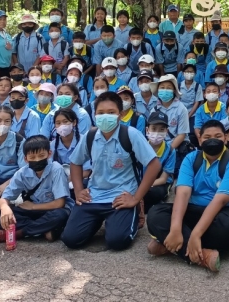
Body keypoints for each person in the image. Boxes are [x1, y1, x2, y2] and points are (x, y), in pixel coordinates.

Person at [61, 91, 161, 250]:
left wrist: (136, 198)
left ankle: (134, 214)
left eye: (111, 112)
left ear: (120, 115)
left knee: (117, 241)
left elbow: (154, 165)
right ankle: (97, 221)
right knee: (71, 239)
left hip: (121, 197)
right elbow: (75, 162)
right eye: (100, 113)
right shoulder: (90, 136)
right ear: (94, 115)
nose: (105, 116)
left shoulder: (130, 134)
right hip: (94, 195)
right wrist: (79, 191)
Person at [146, 120, 229, 272]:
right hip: (194, 210)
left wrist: (195, 234)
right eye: (207, 137)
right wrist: (175, 229)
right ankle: (202, 256)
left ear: (225, 138)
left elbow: (219, 201)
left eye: (218, 136)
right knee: (155, 214)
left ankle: (172, 245)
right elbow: (183, 193)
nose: (212, 140)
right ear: (200, 139)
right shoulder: (191, 159)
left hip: (223, 213)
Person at [0, 135, 71, 243]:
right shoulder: (22, 173)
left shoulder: (56, 169)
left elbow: (60, 203)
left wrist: (33, 206)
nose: (37, 160)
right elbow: (4, 199)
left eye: (41, 155)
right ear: (26, 159)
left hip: (52, 210)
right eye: (32, 157)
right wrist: (5, 208)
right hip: (32, 213)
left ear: (49, 154)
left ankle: (19, 233)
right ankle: (43, 228)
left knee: (60, 215)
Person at [143, 111, 176, 211]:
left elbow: (163, 179)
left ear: (167, 131)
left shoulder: (170, 151)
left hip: (159, 183)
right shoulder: (141, 147)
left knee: (154, 193)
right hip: (142, 181)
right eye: (153, 129)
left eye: (162, 129)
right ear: (147, 130)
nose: (157, 133)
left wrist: (144, 186)